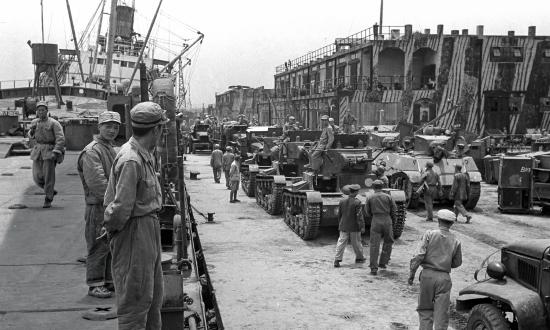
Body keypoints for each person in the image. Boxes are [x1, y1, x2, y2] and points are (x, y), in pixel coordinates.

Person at [103, 101, 168, 330]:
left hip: (147, 230)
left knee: (152, 299)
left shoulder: (144, 155)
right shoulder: (132, 159)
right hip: (134, 232)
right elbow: (120, 209)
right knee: (135, 303)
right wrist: (113, 233)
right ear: (157, 129)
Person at [77, 111, 120, 298]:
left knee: (109, 244)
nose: (112, 130)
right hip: (98, 206)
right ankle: (95, 283)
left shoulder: (110, 148)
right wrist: (115, 203)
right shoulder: (92, 151)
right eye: (107, 126)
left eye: (115, 127)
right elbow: (97, 183)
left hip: (108, 204)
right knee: (98, 244)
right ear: (99, 127)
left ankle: (108, 281)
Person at [408, 209, 462, 330]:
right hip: (444, 278)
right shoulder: (456, 240)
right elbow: (457, 262)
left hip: (427, 275)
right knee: (442, 313)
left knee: (425, 310)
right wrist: (445, 262)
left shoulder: (429, 234)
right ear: (452, 224)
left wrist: (412, 274)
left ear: (438, 220)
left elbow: (418, 256)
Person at [28, 101, 65, 208]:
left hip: (49, 151)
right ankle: (50, 190)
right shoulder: (34, 122)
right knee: (37, 176)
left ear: (47, 111)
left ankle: (48, 198)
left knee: (48, 177)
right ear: (36, 112)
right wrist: (32, 130)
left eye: (43, 110)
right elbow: (31, 136)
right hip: (37, 151)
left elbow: (60, 138)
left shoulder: (54, 123)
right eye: (38, 110)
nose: (40, 112)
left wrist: (56, 151)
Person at [365, 180, 396, 275]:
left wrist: (373, 216)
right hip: (387, 219)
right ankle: (383, 262)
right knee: (389, 241)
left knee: (374, 244)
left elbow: (367, 211)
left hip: (376, 220)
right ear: (382, 187)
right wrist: (391, 219)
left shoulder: (370, 197)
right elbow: (394, 210)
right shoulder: (388, 197)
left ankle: (373, 268)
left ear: (373, 187)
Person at [334, 184, 365, 267]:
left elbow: (339, 215)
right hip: (354, 226)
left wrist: (340, 224)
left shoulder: (342, 201)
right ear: (356, 192)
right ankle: (359, 258)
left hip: (343, 225)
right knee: (356, 243)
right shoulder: (357, 202)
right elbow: (359, 216)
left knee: (341, 242)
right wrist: (362, 226)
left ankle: (337, 260)